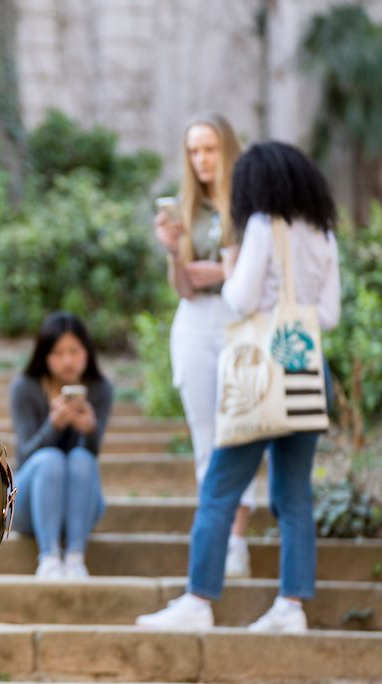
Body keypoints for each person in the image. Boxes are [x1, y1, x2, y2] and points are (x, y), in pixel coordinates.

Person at [136, 140, 341, 633]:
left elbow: (240, 297)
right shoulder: (323, 232)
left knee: (220, 487)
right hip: (307, 369)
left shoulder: (262, 225)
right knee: (294, 497)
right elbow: (329, 315)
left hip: (259, 373)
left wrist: (231, 270)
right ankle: (291, 607)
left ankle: (198, 601)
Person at [154, 112, 254, 578]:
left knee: (240, 426)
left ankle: (237, 538)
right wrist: (175, 252)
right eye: (194, 151)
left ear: (227, 149)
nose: (202, 159)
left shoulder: (249, 202)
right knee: (204, 431)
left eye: (210, 148)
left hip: (238, 318)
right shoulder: (187, 210)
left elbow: (258, 273)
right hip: (195, 320)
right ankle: (214, 533)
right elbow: (183, 288)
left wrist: (222, 273)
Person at [9, 312, 113, 580]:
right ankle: (50, 557)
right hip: (29, 506)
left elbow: (92, 455)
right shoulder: (26, 388)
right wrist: (53, 424)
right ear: (44, 355)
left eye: (74, 351)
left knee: (81, 458)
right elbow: (25, 454)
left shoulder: (100, 389)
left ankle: (76, 557)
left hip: (80, 508)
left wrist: (89, 429)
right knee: (50, 459)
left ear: (87, 352)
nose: (67, 360)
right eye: (58, 352)